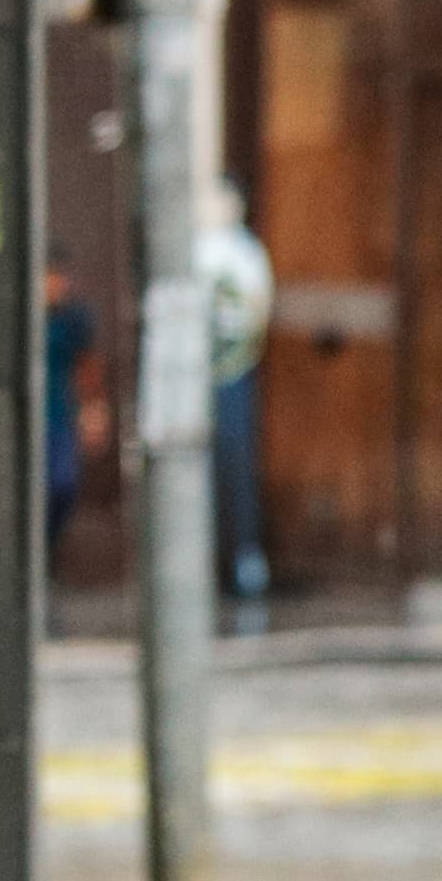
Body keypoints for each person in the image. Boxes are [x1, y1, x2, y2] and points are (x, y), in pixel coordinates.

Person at [201, 179, 276, 617]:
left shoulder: (246, 255)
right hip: (205, 374)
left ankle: (244, 559)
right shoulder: (194, 248)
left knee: (235, 464)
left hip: (232, 373)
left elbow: (258, 312)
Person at [43, 254, 100, 560]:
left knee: (62, 484)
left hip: (59, 416)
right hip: (36, 417)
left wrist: (92, 410)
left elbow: (87, 366)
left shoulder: (73, 319)